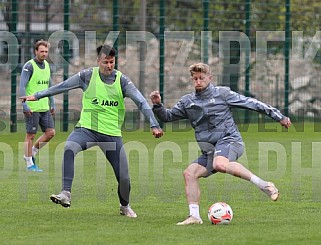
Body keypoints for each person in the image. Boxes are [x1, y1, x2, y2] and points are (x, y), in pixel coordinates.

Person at [21, 45, 164, 217]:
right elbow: (62, 86)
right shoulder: (87, 76)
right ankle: (66, 193)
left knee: (124, 178)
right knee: (69, 147)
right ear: (98, 61)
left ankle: (124, 206)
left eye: (112, 62)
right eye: (105, 62)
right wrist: (37, 96)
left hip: (111, 134)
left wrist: (154, 124)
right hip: (86, 129)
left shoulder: (122, 81)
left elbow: (141, 102)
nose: (109, 66)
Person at [150, 63, 291, 225]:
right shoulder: (187, 102)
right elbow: (168, 117)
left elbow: (252, 103)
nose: (198, 81)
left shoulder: (222, 94)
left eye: (201, 78)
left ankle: (264, 185)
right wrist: (157, 105)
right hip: (210, 151)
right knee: (190, 174)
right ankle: (194, 216)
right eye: (195, 79)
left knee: (220, 164)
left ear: (210, 78)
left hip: (230, 140)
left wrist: (278, 116)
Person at [19, 40, 56, 172]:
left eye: (46, 51)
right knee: (31, 135)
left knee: (51, 133)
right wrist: (25, 106)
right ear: (36, 51)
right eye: (42, 51)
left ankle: (32, 152)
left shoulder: (47, 65)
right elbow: (22, 85)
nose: (44, 54)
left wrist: (52, 103)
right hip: (32, 107)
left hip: (44, 107)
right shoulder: (29, 66)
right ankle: (29, 163)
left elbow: (49, 87)